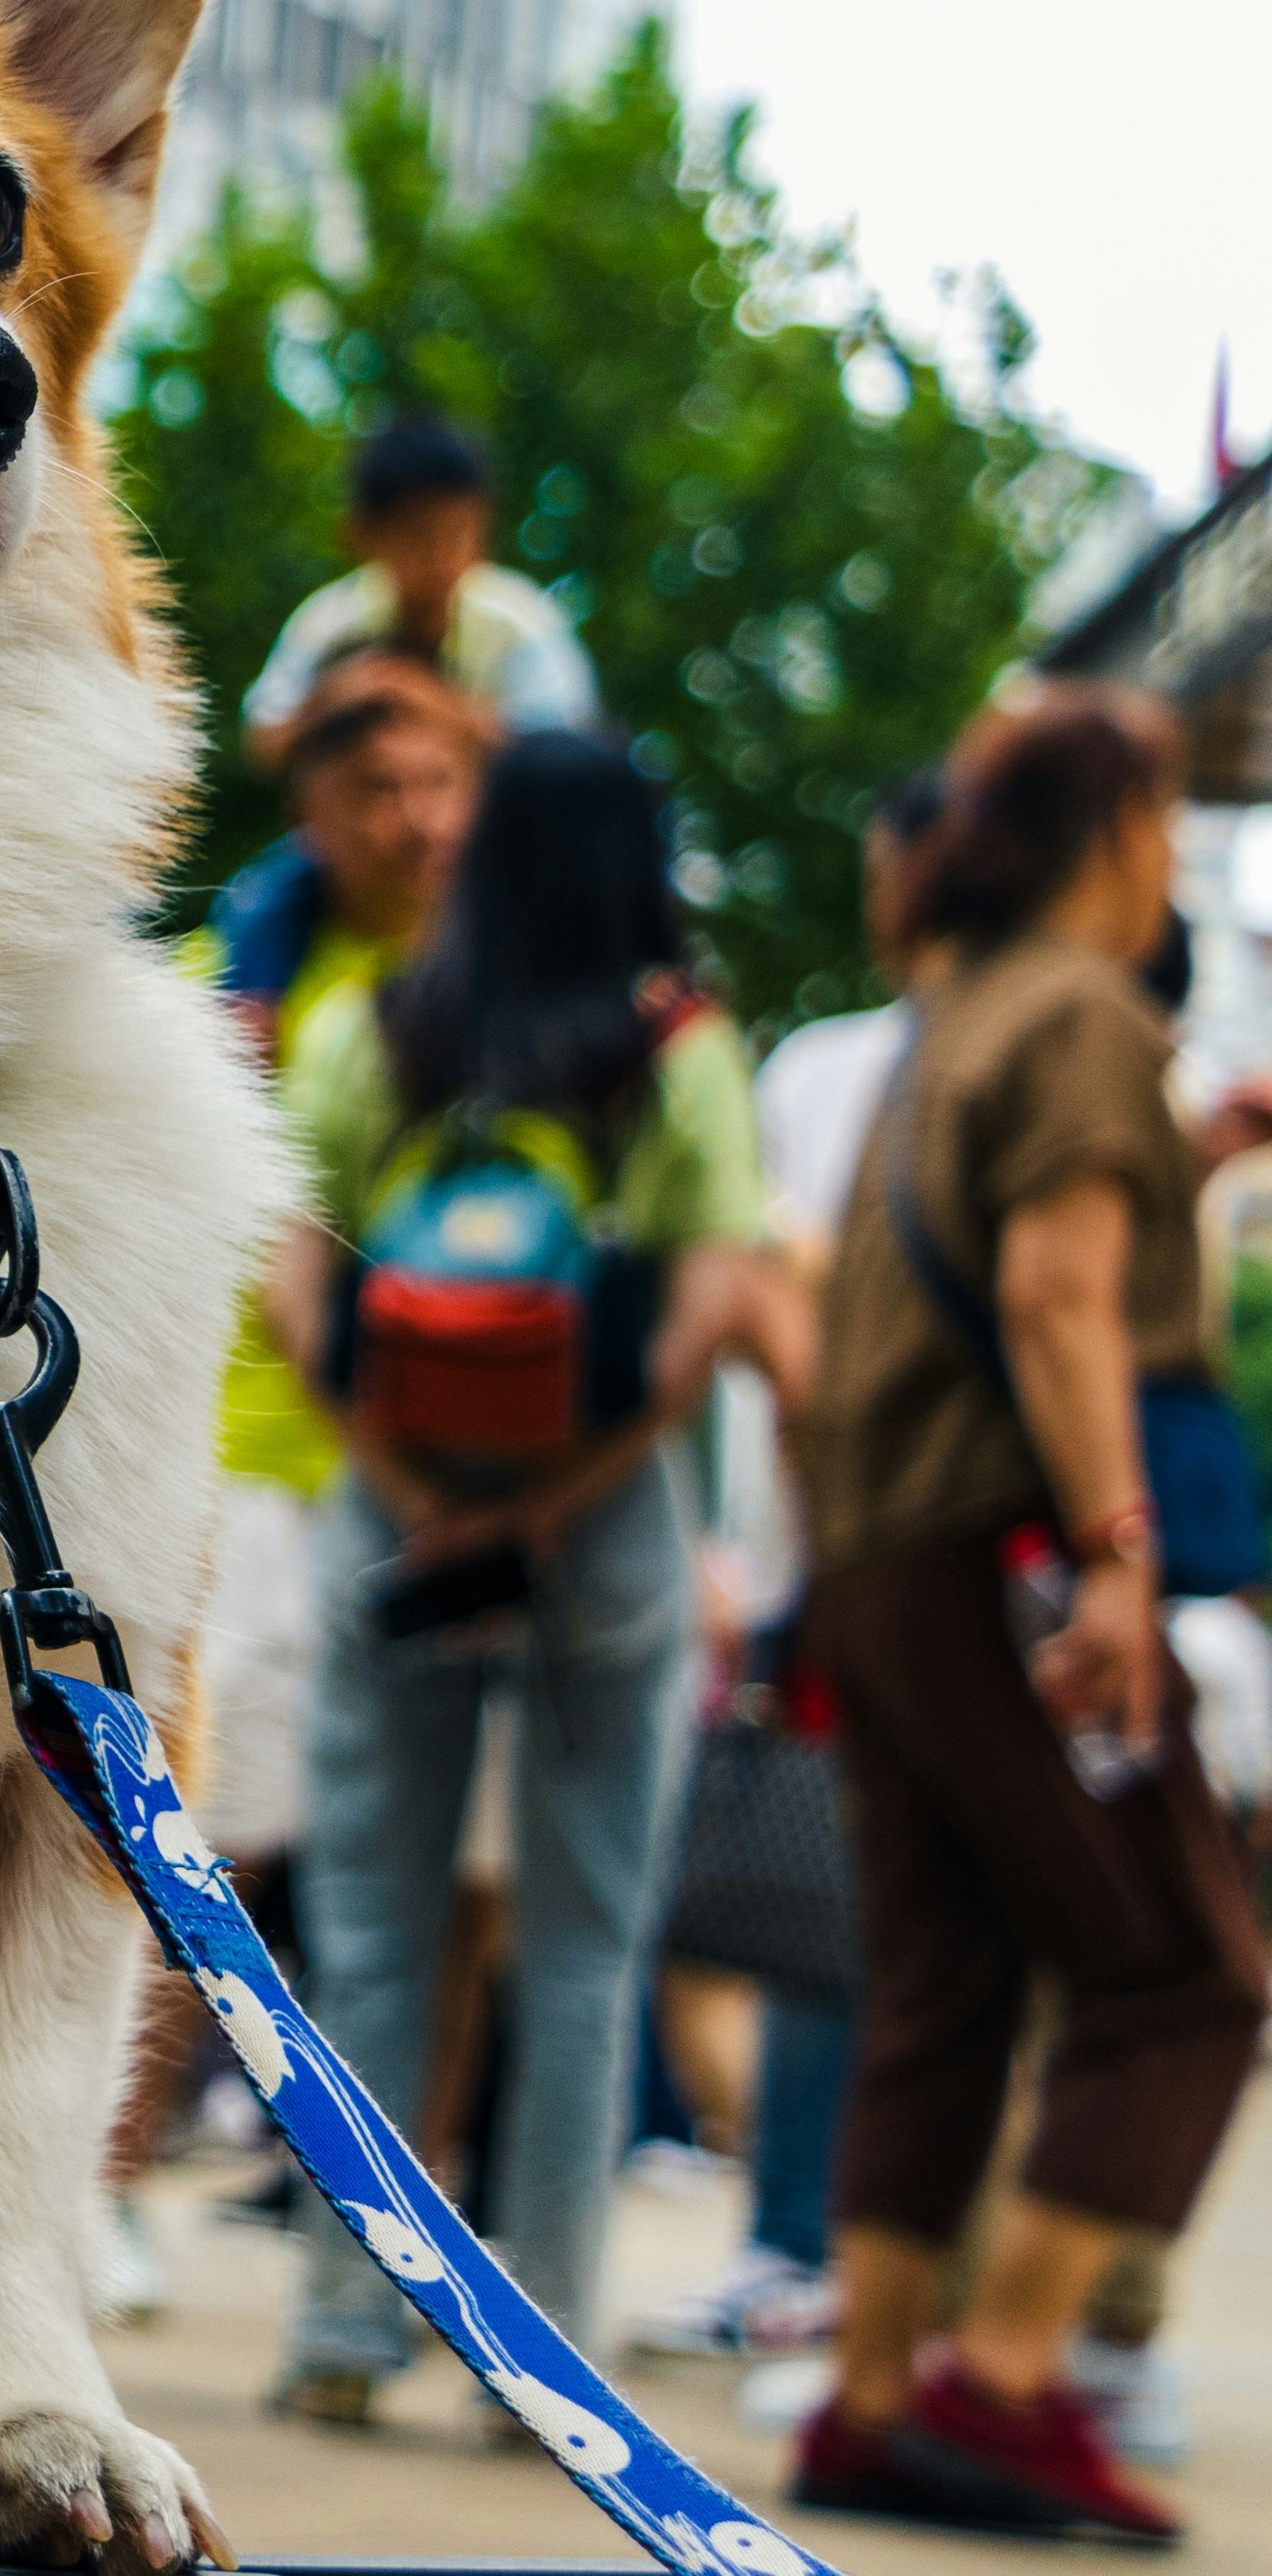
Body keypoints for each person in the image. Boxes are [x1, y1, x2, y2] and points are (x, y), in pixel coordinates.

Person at [785, 687, 1267, 2544]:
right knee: (1183, 1974)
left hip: (891, 1557)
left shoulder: (952, 1019)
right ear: (1124, 836)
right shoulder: (1077, 1011)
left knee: (947, 1976)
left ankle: (878, 2391)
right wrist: (1124, 1554)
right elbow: (1066, 1299)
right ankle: (1003, 2378)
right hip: (1011, 1553)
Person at [259, 731, 781, 2422]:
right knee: (581, 1944)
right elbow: (700, 1314)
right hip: (600, 1529)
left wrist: (414, 1485)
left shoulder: (371, 1028)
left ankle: (341, 2330)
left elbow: (288, 1281)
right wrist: (547, 1507)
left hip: (390, 1516)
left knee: (369, 1935)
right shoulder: (675, 1053)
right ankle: (534, 2358)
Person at [107, 650, 494, 2314]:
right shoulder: (230, 979)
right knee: (203, 1845)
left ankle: (406, 2213)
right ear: (309, 814)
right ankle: (99, 2180)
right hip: (254, 1462)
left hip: (447, 1487)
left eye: (433, 784)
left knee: (456, 1875)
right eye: (370, 793)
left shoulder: (509, 978)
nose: (410, 820)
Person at [624, 769, 944, 2371]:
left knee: (888, 1927)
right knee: (841, 1912)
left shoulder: (839, 1066)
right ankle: (804, 2249)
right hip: (852, 1550)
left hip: (897, 1547)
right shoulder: (827, 1067)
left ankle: (847, 2264)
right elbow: (783, 1299)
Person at [212, 420, 603, 1009]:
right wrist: (343, 696)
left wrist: (426, 700)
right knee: (264, 900)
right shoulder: (331, 622)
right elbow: (264, 741)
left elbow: (571, 771)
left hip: (511, 848)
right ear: (365, 535)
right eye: (421, 537)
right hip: (355, 865)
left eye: (461, 534)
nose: (443, 558)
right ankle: (252, 1017)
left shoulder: (520, 625)